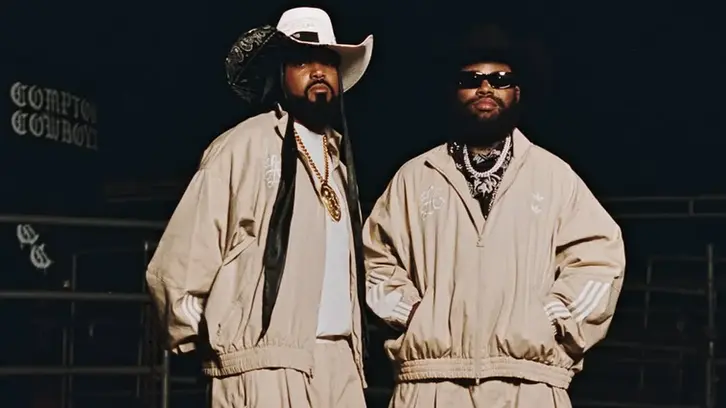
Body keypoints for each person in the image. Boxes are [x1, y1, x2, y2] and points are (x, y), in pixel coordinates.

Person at [363, 24, 625, 408]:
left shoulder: (554, 176)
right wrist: (415, 314)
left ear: (518, 91)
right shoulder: (414, 178)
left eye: (500, 79)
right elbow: (374, 261)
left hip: (529, 384)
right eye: (471, 79)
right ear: (454, 91)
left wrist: (552, 318)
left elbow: (600, 259)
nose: (485, 88)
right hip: (431, 382)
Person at [146, 7, 373, 408]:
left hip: (340, 363)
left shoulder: (339, 161)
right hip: (262, 366)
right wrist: (223, 341)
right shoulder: (242, 147)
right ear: (279, 74)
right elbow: (180, 263)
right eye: (302, 61)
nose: (317, 71)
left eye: (327, 62)